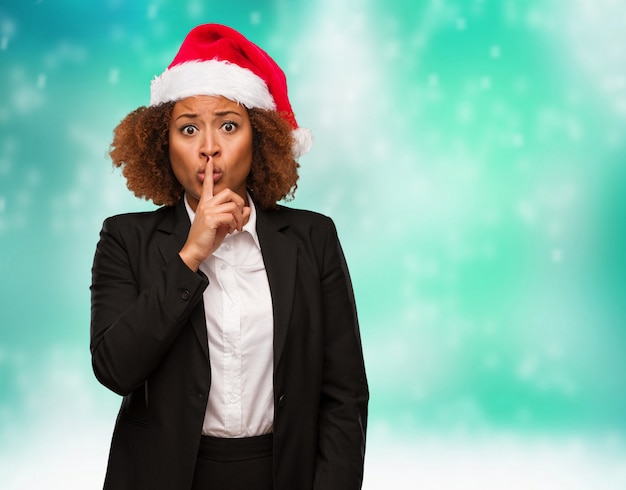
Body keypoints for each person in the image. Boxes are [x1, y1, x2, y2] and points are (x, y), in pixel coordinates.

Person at [90, 23, 368, 490]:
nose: (209, 147)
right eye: (189, 128)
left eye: (229, 125)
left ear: (259, 139)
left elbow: (344, 394)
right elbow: (116, 369)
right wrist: (191, 255)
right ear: (163, 143)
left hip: (282, 474)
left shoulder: (313, 237)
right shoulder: (124, 239)